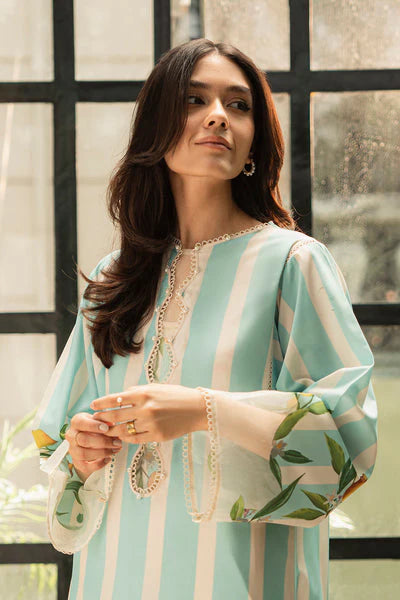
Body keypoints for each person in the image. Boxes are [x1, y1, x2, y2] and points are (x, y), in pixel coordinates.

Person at [32, 38, 377, 600]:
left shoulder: (293, 263)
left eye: (238, 105)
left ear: (253, 144)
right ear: (157, 126)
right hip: (112, 577)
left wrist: (203, 410)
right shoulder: (117, 276)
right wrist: (83, 451)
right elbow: (61, 437)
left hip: (241, 582)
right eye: (195, 100)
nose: (218, 116)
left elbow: (349, 439)